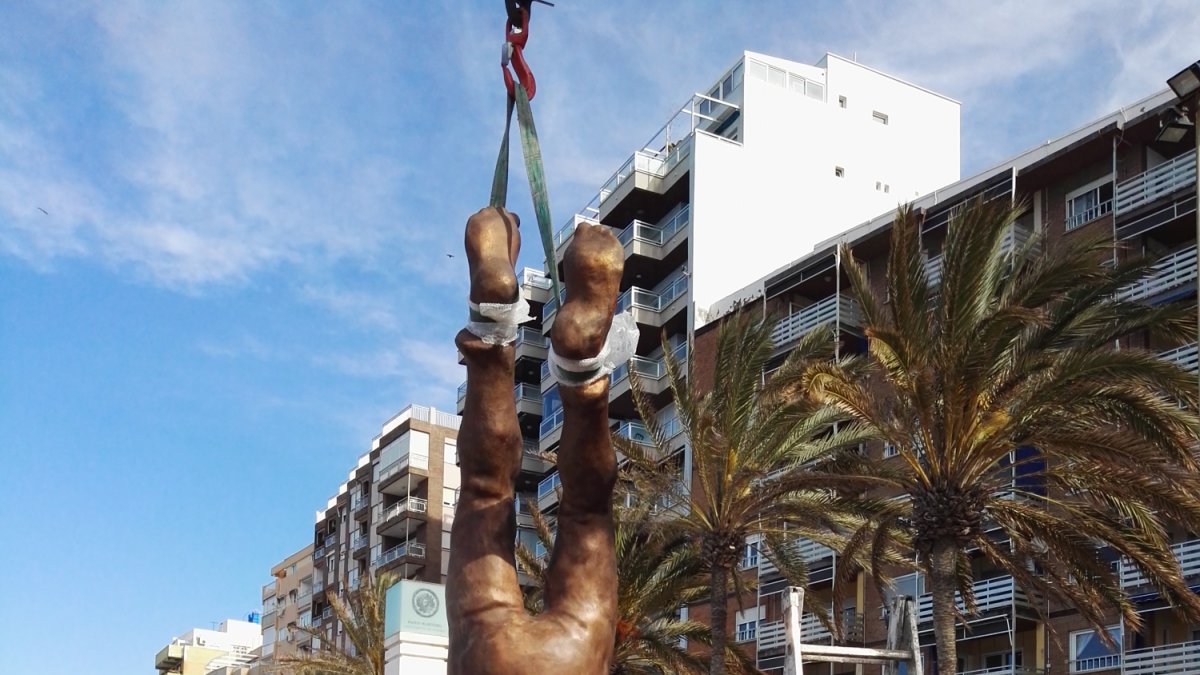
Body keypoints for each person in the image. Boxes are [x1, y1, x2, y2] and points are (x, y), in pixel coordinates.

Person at [447, 206, 636, 674]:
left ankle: (581, 374)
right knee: (484, 488)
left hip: (573, 651)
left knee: (586, 510)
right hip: (489, 648)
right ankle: (491, 329)